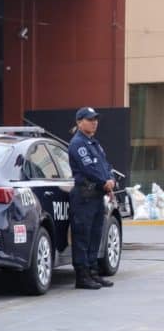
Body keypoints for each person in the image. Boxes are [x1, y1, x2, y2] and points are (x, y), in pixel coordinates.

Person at [67, 106, 115, 290]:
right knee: (83, 237)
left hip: (96, 196)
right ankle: (82, 276)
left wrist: (110, 180)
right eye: (90, 119)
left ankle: (93, 273)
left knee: (95, 235)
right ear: (79, 122)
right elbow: (88, 169)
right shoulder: (78, 144)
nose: (94, 122)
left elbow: (105, 165)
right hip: (84, 197)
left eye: (95, 119)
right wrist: (105, 182)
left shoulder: (94, 143)